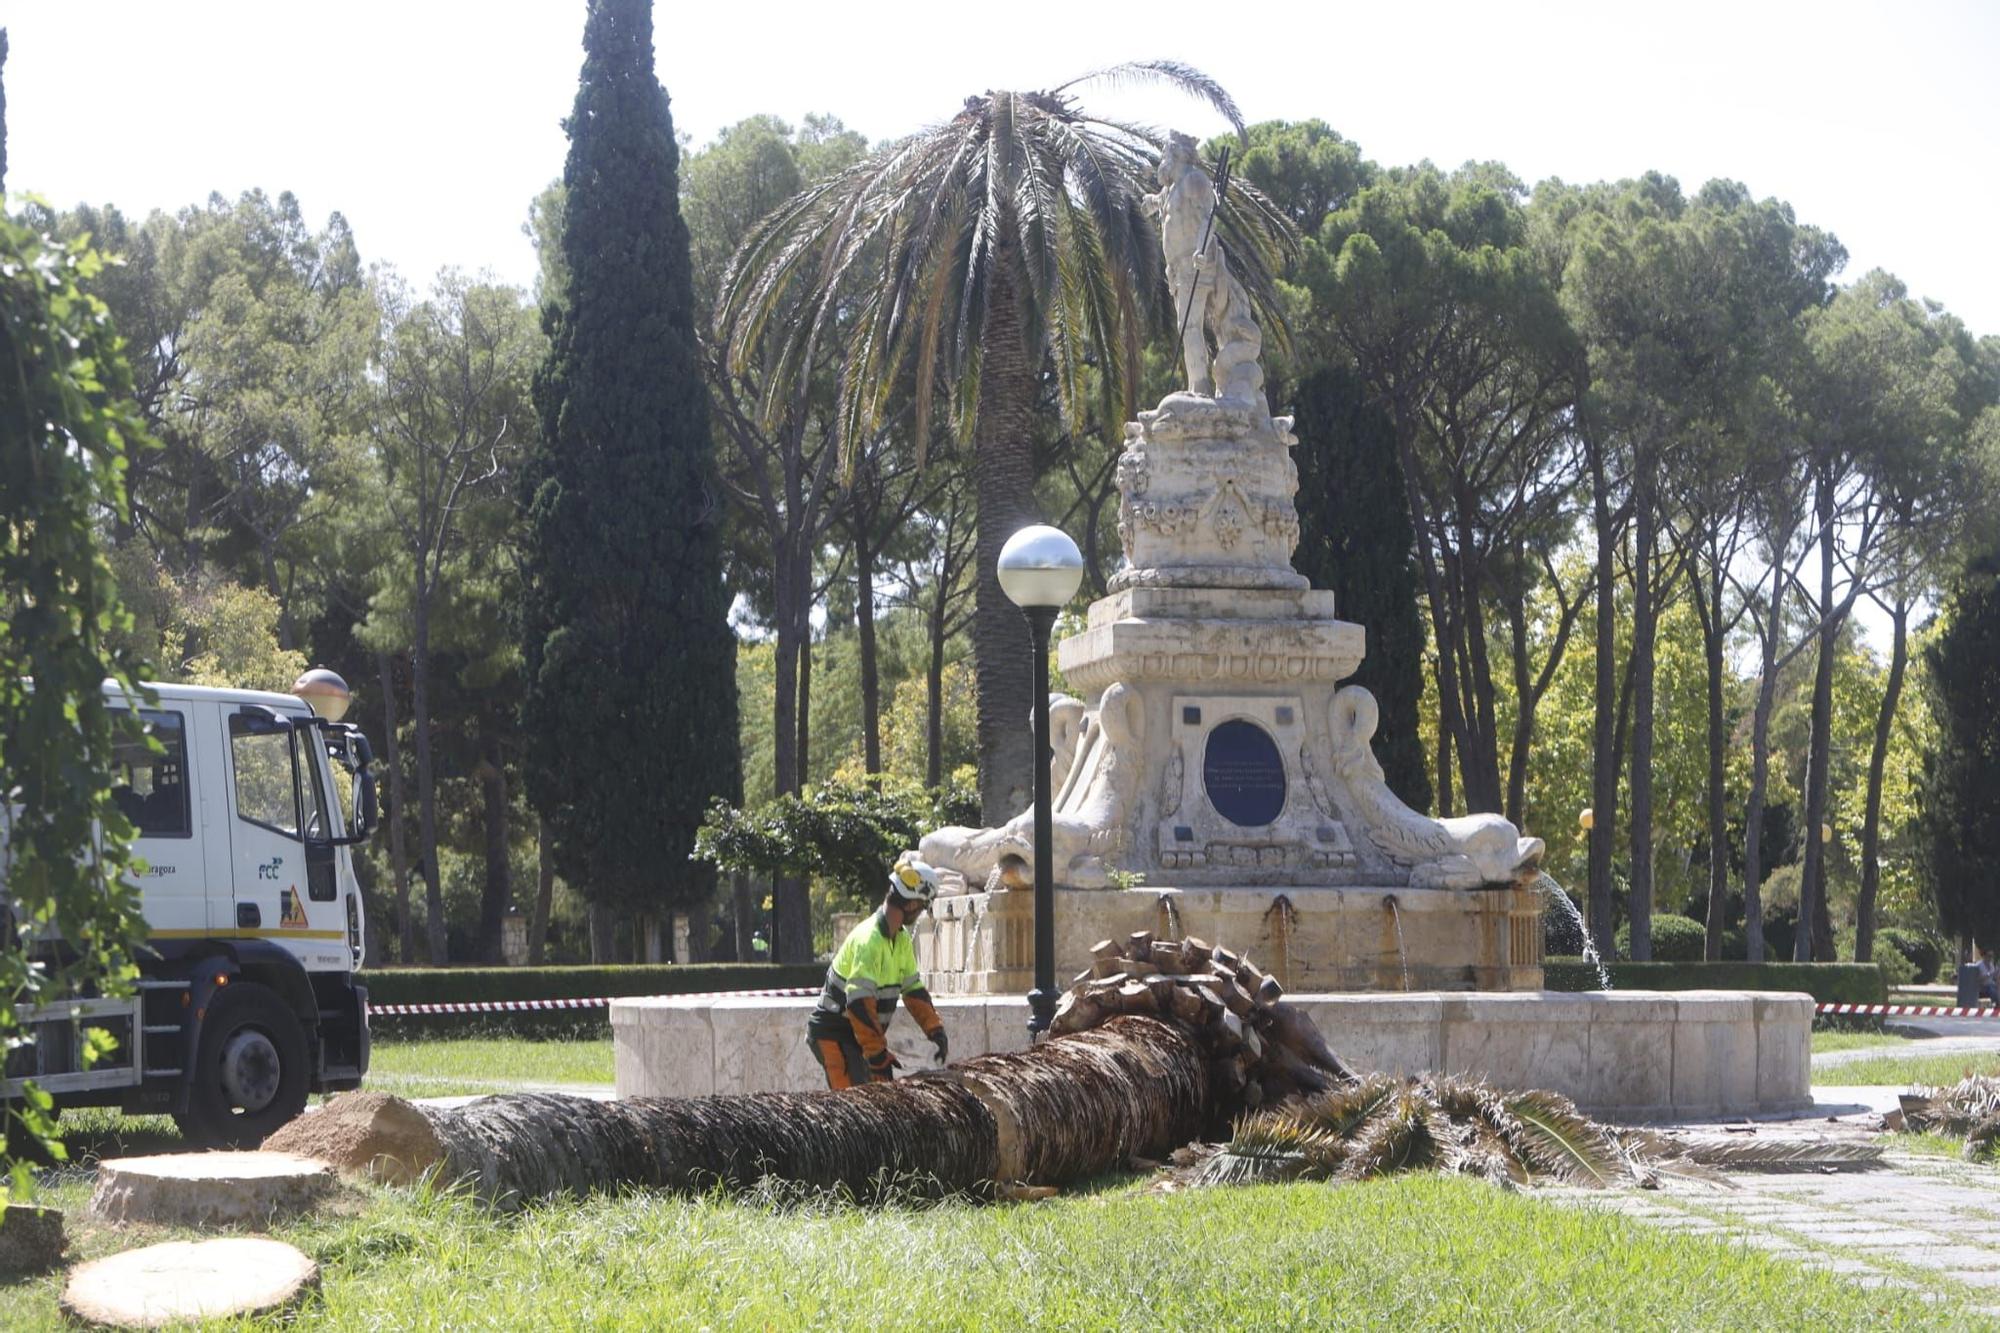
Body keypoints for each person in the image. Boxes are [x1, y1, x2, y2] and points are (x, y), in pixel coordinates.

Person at [805, 858, 949, 1089]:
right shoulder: (869, 941)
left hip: (860, 1036)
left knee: (882, 1101)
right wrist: (876, 1054)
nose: (921, 913)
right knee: (856, 1109)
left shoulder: (900, 939)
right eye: (923, 907)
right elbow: (858, 1003)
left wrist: (935, 1029)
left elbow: (914, 991)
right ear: (912, 905)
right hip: (834, 1034)